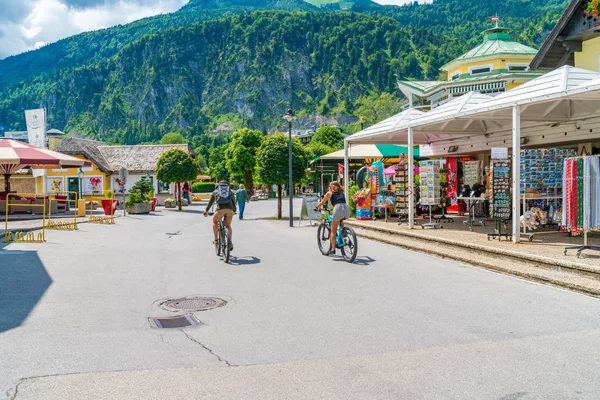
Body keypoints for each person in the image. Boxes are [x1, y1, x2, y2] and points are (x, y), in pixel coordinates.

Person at [315, 181, 350, 255]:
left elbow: (322, 202)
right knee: (340, 220)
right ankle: (345, 235)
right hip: (346, 209)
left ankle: (333, 249)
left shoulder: (329, 193)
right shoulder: (342, 192)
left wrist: (317, 208)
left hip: (338, 209)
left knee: (333, 231)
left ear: (331, 187)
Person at [204, 180, 237, 250]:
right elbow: (234, 202)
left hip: (220, 210)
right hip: (230, 211)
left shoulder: (216, 191)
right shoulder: (230, 192)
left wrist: (206, 211)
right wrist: (234, 211)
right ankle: (230, 242)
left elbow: (210, 203)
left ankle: (216, 239)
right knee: (228, 226)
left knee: (214, 222)